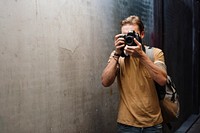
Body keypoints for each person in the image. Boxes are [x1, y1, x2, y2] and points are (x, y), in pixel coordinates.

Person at [101, 15, 167, 133]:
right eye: (125, 36)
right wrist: (116, 54)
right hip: (126, 124)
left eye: (132, 35)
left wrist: (141, 56)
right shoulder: (118, 56)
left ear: (141, 34)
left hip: (153, 124)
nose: (128, 39)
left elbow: (162, 80)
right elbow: (105, 82)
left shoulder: (155, 53)